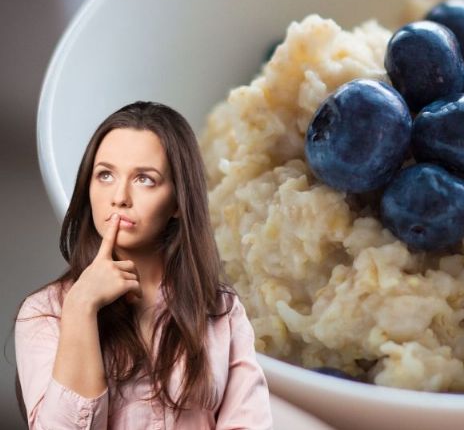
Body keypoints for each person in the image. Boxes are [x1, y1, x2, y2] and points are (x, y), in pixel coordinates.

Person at [14, 101, 273, 429]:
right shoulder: (44, 312)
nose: (119, 197)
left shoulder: (222, 311)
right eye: (105, 175)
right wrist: (80, 309)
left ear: (179, 201)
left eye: (145, 179)